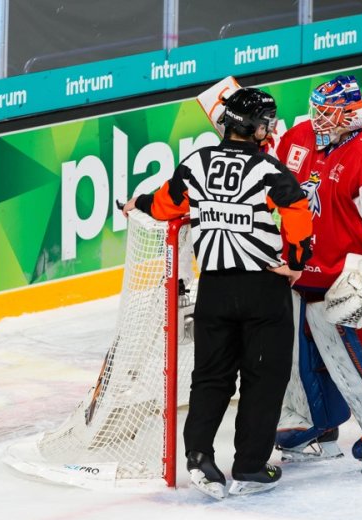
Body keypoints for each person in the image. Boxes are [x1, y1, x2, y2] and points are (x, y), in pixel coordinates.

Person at [122, 87, 313, 498]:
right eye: (267, 122)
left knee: (210, 377)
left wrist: (136, 202)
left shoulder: (196, 163)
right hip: (263, 290)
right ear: (256, 127)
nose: (271, 128)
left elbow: (165, 204)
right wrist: (296, 262)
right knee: (264, 378)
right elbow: (298, 214)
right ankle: (249, 466)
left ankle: (199, 459)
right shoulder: (271, 170)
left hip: (215, 291)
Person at [273, 74, 362, 471]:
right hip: (299, 276)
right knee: (296, 360)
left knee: (355, 360)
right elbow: (265, 161)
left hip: (343, 282)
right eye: (316, 108)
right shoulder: (299, 138)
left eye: (327, 111)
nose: (317, 117)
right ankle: (309, 421)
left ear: (350, 114)